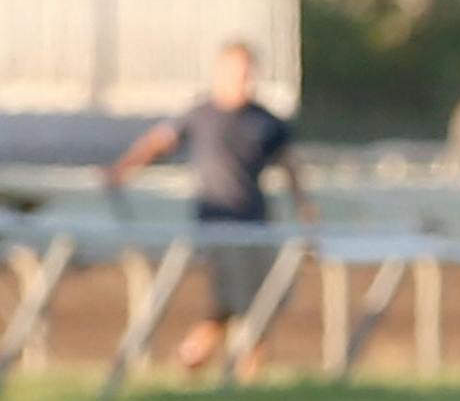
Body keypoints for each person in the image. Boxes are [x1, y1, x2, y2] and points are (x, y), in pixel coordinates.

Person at [103, 41, 316, 374]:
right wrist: (122, 170)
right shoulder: (200, 114)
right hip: (216, 221)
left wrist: (306, 212)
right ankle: (228, 368)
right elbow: (158, 142)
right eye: (236, 72)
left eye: (248, 72)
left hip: (256, 224)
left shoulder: (267, 122)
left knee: (256, 301)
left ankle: (197, 358)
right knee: (237, 301)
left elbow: (292, 170)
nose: (243, 79)